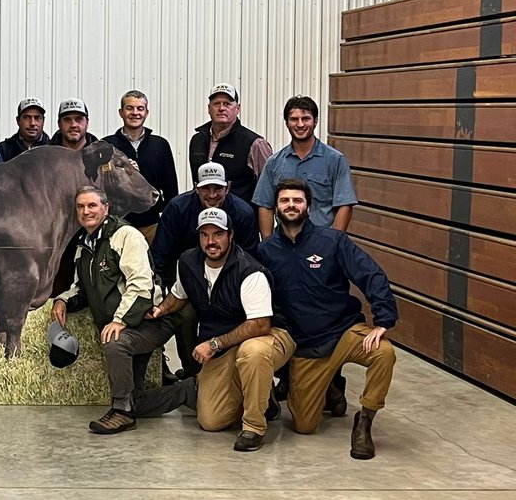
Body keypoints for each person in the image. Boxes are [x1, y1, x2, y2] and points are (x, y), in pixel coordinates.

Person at [257, 179, 398, 460]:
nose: (291, 205)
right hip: (307, 346)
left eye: (297, 200)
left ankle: (365, 420)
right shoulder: (266, 251)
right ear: (276, 207)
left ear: (308, 206)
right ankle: (330, 384)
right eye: (285, 201)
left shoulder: (333, 241)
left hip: (344, 331)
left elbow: (371, 274)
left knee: (384, 353)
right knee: (304, 425)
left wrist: (383, 320)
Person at [51, 186, 196, 436]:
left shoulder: (126, 235)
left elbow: (141, 284)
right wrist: (62, 300)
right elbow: (82, 289)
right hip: (129, 325)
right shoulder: (83, 246)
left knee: (115, 342)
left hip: (151, 321)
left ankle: (122, 414)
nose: (86, 211)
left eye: (92, 205)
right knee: (134, 398)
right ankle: (190, 391)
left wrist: (119, 320)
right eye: (80, 207)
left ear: (106, 208)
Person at [149, 208, 295, 452]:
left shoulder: (249, 271)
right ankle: (260, 395)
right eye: (204, 235)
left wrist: (214, 344)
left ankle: (254, 426)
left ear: (230, 235)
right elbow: (179, 295)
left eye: (218, 234)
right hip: (228, 344)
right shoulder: (188, 262)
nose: (211, 241)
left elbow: (260, 324)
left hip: (268, 336)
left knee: (253, 352)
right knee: (210, 421)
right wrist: (160, 310)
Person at [151, 162, 259, 378]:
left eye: (218, 188)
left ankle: (230, 371)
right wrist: (158, 292)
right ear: (195, 187)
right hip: (189, 277)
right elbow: (160, 255)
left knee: (230, 314)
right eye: (205, 188)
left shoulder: (244, 213)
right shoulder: (177, 208)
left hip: (230, 278)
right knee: (185, 316)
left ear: (228, 187)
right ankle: (193, 373)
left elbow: (251, 260)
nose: (212, 194)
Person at [253, 96, 357, 238]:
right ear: (287, 123)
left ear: (315, 122)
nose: (300, 124)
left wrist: (333, 243)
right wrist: (268, 244)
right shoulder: (273, 163)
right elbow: (265, 205)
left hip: (322, 242)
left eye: (306, 118)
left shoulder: (335, 160)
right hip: (284, 243)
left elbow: (345, 206)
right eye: (294, 119)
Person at [101, 90, 178, 243]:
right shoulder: (107, 145)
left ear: (146, 113)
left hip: (152, 225)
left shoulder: (160, 145)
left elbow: (171, 188)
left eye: (140, 108)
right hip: (117, 225)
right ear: (121, 112)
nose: (135, 113)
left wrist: (166, 217)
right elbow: (101, 184)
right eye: (129, 108)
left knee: (153, 259)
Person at [188, 83, 272, 204]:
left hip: (239, 214)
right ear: (209, 108)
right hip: (202, 214)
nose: (221, 108)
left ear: (238, 108)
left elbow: (268, 189)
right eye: (216, 103)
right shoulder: (197, 140)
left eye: (227, 104)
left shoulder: (255, 144)